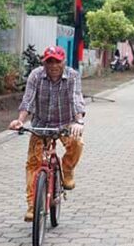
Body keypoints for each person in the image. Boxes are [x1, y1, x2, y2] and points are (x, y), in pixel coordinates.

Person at [8, 46, 85, 222]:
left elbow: (76, 99)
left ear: (63, 62)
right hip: (41, 125)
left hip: (66, 123)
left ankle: (67, 169)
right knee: (34, 164)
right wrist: (20, 120)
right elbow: (28, 100)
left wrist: (79, 121)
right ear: (44, 62)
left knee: (77, 143)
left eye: (57, 61)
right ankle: (32, 205)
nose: (53, 65)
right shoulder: (36, 75)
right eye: (49, 61)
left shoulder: (72, 76)